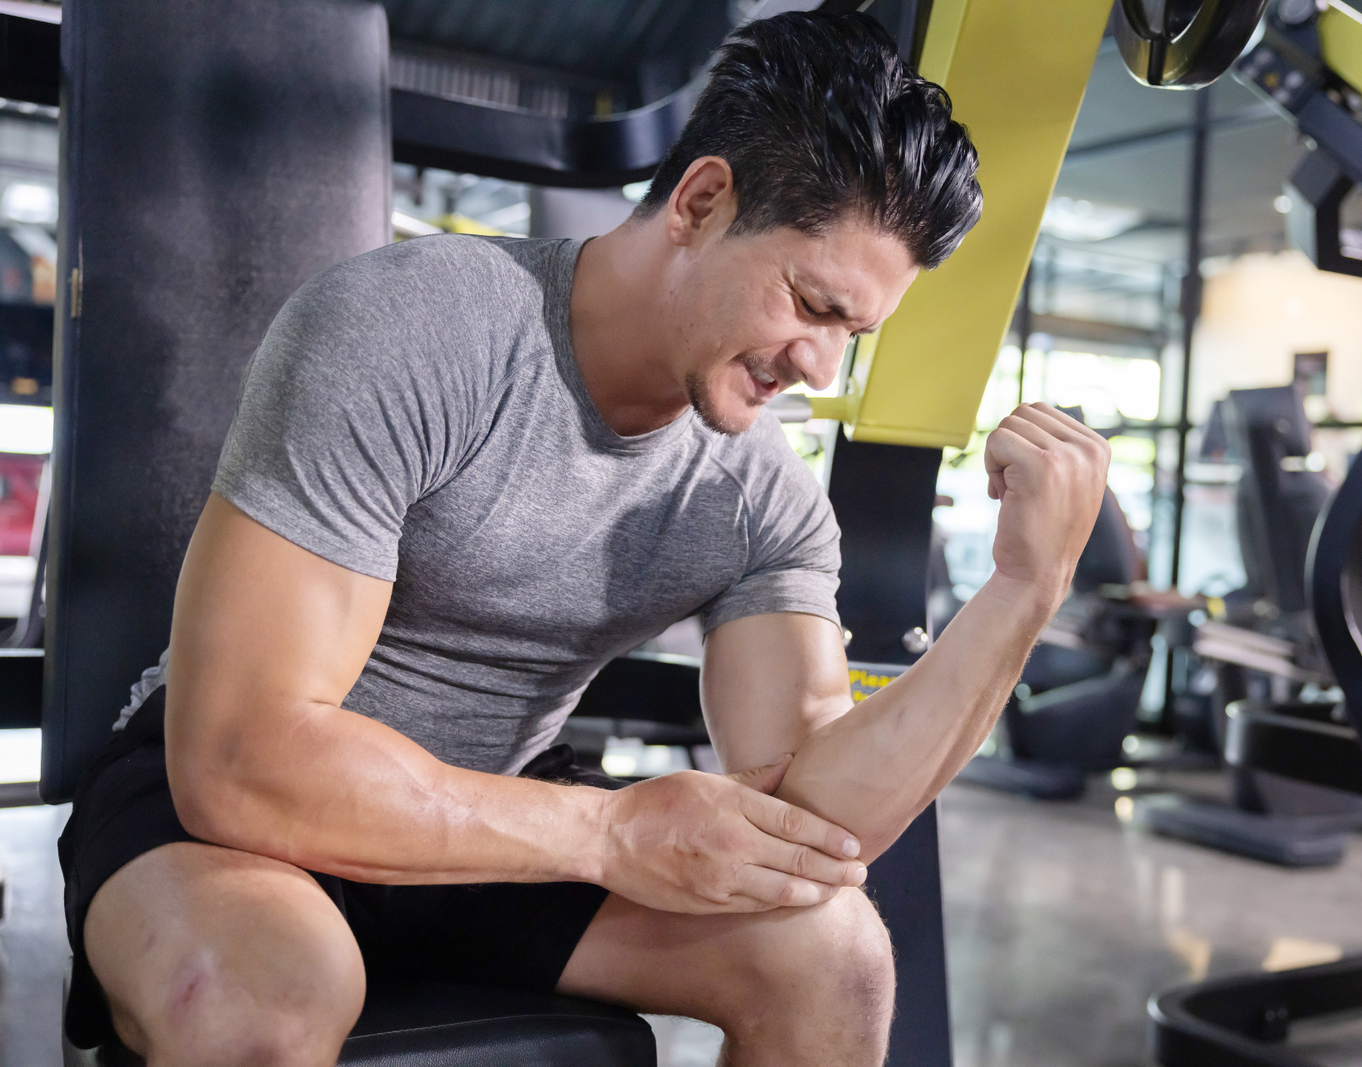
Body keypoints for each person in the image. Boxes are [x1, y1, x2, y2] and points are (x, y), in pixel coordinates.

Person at [58, 11, 1109, 1067]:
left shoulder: (761, 497)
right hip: (222, 816)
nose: (821, 367)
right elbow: (239, 760)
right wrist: (608, 832)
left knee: (831, 955)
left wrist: (1022, 590)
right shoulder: (416, 331)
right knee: (258, 1001)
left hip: (493, 819)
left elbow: (810, 823)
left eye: (853, 333)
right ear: (702, 201)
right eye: (809, 303)